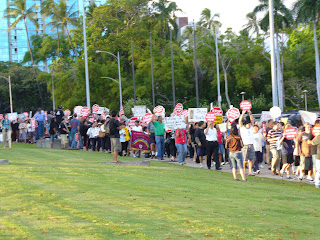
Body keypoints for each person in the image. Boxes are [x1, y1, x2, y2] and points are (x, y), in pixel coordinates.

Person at [239, 110, 255, 176]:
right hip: (245, 145)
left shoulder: (251, 128)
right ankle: (244, 170)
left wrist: (250, 113)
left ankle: (250, 171)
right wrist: (242, 114)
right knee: (245, 159)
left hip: (251, 144)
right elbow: (240, 121)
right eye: (248, 124)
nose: (250, 124)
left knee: (251, 159)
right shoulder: (242, 129)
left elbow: (253, 121)